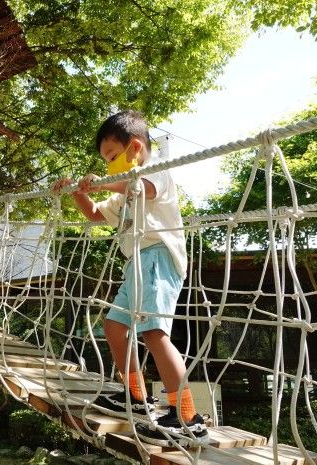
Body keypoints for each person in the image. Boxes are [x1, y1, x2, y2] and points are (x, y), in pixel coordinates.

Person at [51, 110, 208, 445]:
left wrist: (103, 181)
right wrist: (79, 192)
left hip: (158, 258)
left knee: (153, 333)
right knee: (114, 326)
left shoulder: (158, 171)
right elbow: (96, 214)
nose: (109, 166)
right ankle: (135, 398)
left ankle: (187, 415)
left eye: (112, 157)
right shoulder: (121, 193)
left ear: (135, 147)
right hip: (136, 262)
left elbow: (147, 189)